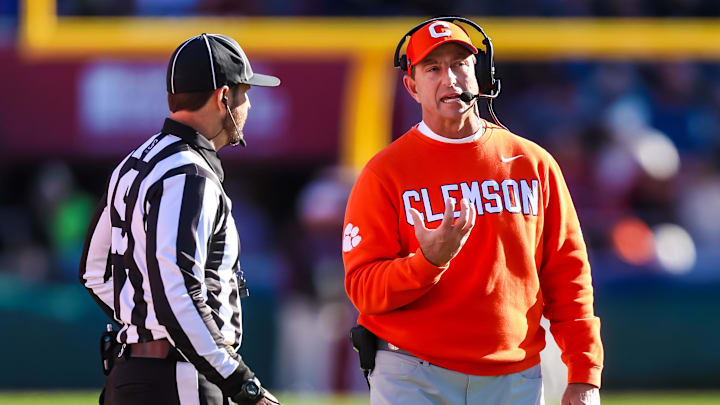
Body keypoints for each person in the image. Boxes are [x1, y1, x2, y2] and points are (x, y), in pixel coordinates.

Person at [342, 17, 603, 405]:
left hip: (514, 375)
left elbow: (568, 275)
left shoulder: (532, 162)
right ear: (412, 86)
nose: (450, 78)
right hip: (413, 373)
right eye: (433, 68)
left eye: (460, 64)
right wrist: (428, 261)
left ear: (480, 76)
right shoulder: (385, 172)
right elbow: (364, 290)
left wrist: (584, 373)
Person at [79, 33, 282, 405]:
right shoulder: (189, 175)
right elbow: (178, 295)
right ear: (224, 97)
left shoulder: (132, 163)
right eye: (244, 93)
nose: (249, 106)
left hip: (130, 374)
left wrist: (144, 321)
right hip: (178, 379)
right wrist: (242, 383)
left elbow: (94, 272)